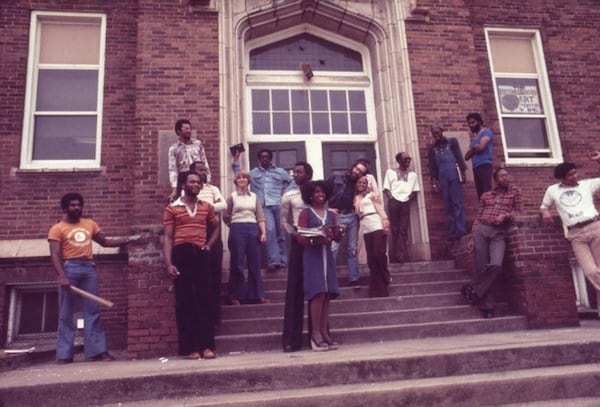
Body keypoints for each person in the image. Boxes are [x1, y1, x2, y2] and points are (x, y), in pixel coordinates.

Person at [49, 193, 140, 364]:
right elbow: (54, 254)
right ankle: (64, 355)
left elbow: (105, 242)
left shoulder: (90, 224)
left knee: (93, 311)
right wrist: (61, 276)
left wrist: (128, 240)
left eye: (79, 205)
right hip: (70, 269)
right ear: (65, 208)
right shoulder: (57, 228)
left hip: (88, 268)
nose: (77, 208)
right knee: (66, 314)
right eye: (73, 205)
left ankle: (96, 352)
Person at [163, 171, 220, 360]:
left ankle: (207, 347)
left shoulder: (207, 207)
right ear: (183, 184)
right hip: (181, 254)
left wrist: (209, 245)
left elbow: (216, 227)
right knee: (185, 302)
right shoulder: (172, 208)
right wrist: (169, 263)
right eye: (192, 181)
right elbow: (168, 237)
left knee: (205, 300)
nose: (196, 184)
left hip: (201, 254)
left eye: (198, 182)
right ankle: (189, 348)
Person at [461, 168, 522, 318]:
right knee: (482, 268)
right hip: (482, 230)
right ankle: (488, 307)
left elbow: (519, 212)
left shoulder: (515, 192)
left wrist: (505, 215)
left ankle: (473, 289)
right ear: (495, 180)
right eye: (502, 176)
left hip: (499, 233)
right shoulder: (486, 196)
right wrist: (472, 238)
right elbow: (478, 217)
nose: (505, 178)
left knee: (496, 265)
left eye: (507, 175)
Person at [540, 152, 600, 298]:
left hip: (595, 228)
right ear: (562, 178)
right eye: (570, 175)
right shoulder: (552, 190)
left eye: (575, 173)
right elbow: (543, 206)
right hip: (575, 235)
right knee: (591, 272)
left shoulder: (587, 185)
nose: (575, 176)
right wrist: (545, 212)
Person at [296, 181, 341, 351]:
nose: (319, 195)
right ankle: (315, 335)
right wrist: (316, 238)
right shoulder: (305, 213)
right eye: (315, 192)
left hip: (327, 255)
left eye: (322, 192)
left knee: (327, 293)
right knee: (317, 292)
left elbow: (336, 236)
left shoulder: (331, 214)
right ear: (310, 195)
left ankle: (324, 332)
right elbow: (300, 237)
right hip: (312, 255)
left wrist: (339, 234)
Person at [232, 149, 292, 272]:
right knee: (269, 231)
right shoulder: (253, 173)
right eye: (262, 157)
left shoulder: (280, 172)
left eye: (267, 157)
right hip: (264, 206)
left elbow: (292, 181)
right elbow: (240, 176)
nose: (265, 159)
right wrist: (236, 160)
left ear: (270, 158)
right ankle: (274, 261)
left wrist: (285, 192)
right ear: (259, 159)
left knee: (281, 233)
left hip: (278, 204)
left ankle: (283, 261)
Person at [281, 161, 313, 352]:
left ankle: (317, 336)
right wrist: (294, 234)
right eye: (294, 172)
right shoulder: (289, 196)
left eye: (299, 172)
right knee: (294, 289)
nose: (295, 175)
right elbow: (284, 220)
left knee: (317, 290)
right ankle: (291, 340)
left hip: (316, 244)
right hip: (298, 242)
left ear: (308, 175)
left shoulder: (317, 194)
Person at [190, 161, 226, 327]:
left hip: (212, 233)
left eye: (205, 169)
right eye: (200, 170)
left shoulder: (212, 189)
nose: (204, 172)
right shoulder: (189, 190)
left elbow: (223, 205)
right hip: (194, 233)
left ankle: (215, 315)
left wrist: (204, 208)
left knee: (214, 274)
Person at [223, 171, 269, 305]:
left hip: (253, 229)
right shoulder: (232, 196)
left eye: (244, 178)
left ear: (248, 181)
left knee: (255, 262)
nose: (242, 180)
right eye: (239, 178)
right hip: (237, 229)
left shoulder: (254, 197)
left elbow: (260, 217)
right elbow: (226, 215)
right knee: (237, 263)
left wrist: (263, 233)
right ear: (236, 181)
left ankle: (257, 295)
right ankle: (236, 296)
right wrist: (233, 225)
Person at [325, 160, 368, 287]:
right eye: (356, 168)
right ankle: (329, 279)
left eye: (360, 171)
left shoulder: (358, 184)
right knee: (333, 248)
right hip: (338, 216)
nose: (357, 171)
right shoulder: (336, 177)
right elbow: (322, 193)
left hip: (353, 217)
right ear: (353, 167)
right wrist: (328, 208)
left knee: (352, 249)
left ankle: (354, 278)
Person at [428, 124, 468, 252]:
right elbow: (432, 166)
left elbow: (460, 158)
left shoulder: (452, 142)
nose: (436, 135)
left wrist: (463, 172)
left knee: (457, 201)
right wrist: (434, 181)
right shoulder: (432, 149)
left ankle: (461, 229)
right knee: (448, 203)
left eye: (438, 132)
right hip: (442, 175)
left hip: (453, 173)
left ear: (441, 131)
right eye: (434, 133)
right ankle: (453, 230)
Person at [355, 176, 391, 297]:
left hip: (376, 223)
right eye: (359, 182)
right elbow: (357, 213)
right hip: (365, 227)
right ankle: (377, 288)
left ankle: (386, 276)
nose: (361, 184)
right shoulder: (357, 198)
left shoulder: (372, 195)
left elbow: (380, 209)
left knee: (378, 254)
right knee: (371, 259)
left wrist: (385, 224)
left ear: (367, 184)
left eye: (363, 183)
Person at [382, 152, 420, 263]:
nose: (408, 161)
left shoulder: (413, 175)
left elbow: (415, 191)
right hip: (394, 202)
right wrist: (392, 198)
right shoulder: (390, 172)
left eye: (409, 159)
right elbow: (386, 189)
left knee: (403, 229)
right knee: (394, 229)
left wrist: (407, 199)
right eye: (405, 159)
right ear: (399, 160)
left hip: (405, 203)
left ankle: (401, 256)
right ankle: (395, 255)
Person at [168, 119, 211, 201]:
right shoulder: (174, 148)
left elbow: (204, 161)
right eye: (186, 129)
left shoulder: (198, 144)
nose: (189, 131)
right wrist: (174, 188)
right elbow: (172, 169)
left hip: (198, 180)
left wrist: (208, 179)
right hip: (184, 181)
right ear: (179, 131)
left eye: (189, 129)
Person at [464, 113, 494, 199]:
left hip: (485, 165)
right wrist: (474, 148)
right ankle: (483, 212)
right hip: (476, 167)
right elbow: (466, 157)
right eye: (469, 124)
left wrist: (473, 150)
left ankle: (490, 211)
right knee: (480, 195)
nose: (471, 125)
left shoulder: (486, 131)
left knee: (486, 192)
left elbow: (481, 147)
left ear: (479, 122)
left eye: (473, 122)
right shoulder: (474, 139)